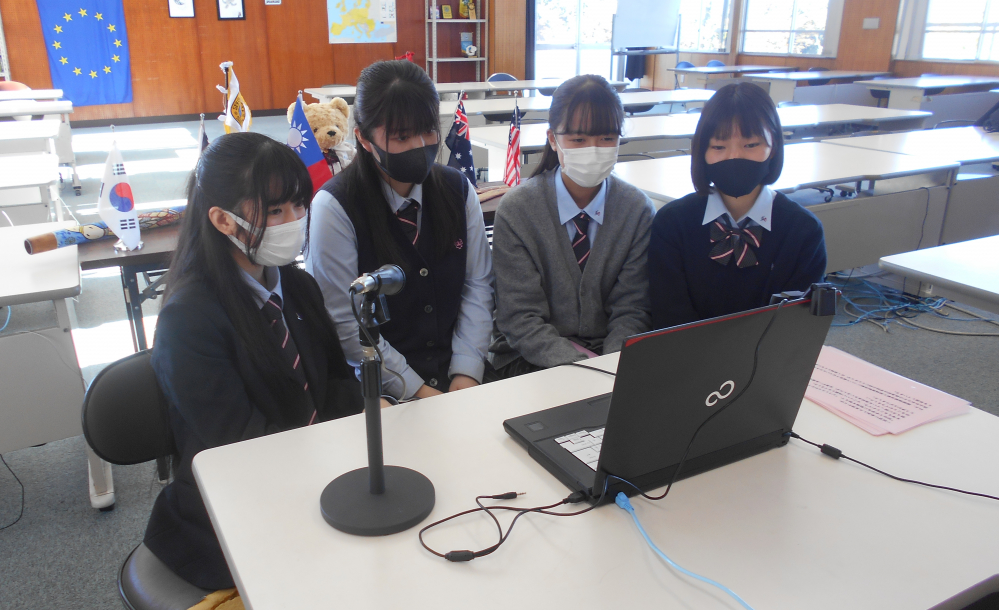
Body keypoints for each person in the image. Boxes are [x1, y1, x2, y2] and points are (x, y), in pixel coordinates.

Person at [145, 132, 363, 610]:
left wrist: (340, 456)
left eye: (297, 205)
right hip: (235, 502)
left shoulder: (298, 285)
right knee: (346, 590)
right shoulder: (189, 319)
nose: (293, 222)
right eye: (275, 210)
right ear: (222, 220)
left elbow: (338, 383)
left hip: (313, 473)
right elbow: (239, 445)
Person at [307, 60, 493, 399]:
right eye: (401, 136)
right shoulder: (334, 208)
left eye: (428, 130)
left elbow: (477, 285)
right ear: (363, 138)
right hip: (383, 391)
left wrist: (467, 374)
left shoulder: (458, 189)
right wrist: (417, 390)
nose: (420, 145)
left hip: (462, 379)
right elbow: (345, 323)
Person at [489, 74, 655, 375]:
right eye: (578, 139)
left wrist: (611, 368)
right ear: (553, 139)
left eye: (607, 138)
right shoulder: (518, 210)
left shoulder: (636, 210)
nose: (593, 149)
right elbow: (520, 318)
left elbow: (632, 308)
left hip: (611, 359)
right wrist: (583, 370)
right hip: (529, 359)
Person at [648, 82, 827, 330]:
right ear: (703, 152)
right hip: (686, 360)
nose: (734, 157)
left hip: (768, 363)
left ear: (773, 145)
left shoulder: (803, 231)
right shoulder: (672, 223)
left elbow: (795, 326)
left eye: (750, 145)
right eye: (719, 147)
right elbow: (668, 315)